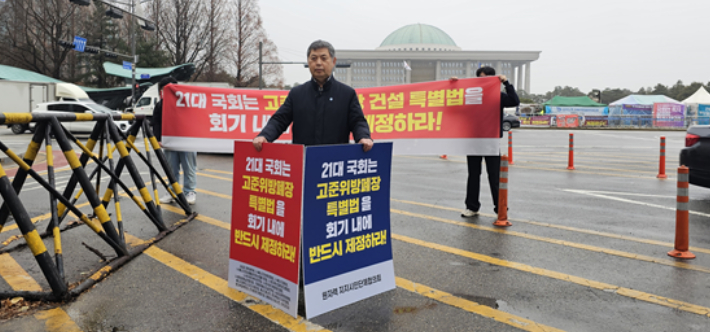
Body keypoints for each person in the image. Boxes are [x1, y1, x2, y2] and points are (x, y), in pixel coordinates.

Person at [253, 40, 373, 151]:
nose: (318, 63)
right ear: (308, 61)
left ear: (333, 61)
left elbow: (358, 121)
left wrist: (363, 137)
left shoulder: (347, 94)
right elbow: (279, 120)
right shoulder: (297, 94)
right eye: (314, 58)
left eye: (323, 58)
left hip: (334, 163)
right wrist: (265, 136)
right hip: (304, 161)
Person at [460, 66, 519, 217]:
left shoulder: (498, 96)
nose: (482, 81)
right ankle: (472, 207)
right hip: (473, 140)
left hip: (490, 141)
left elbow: (514, 101)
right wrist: (454, 85)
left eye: (485, 78)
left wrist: (506, 83)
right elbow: (453, 106)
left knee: (495, 176)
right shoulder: (471, 96)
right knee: (473, 175)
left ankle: (500, 208)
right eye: (479, 78)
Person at [151, 76, 198, 205]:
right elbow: (156, 123)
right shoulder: (160, 105)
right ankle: (172, 192)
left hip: (187, 141)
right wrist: (158, 138)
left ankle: (190, 191)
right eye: (163, 90)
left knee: (189, 167)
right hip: (169, 142)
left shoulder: (186, 102)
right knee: (171, 169)